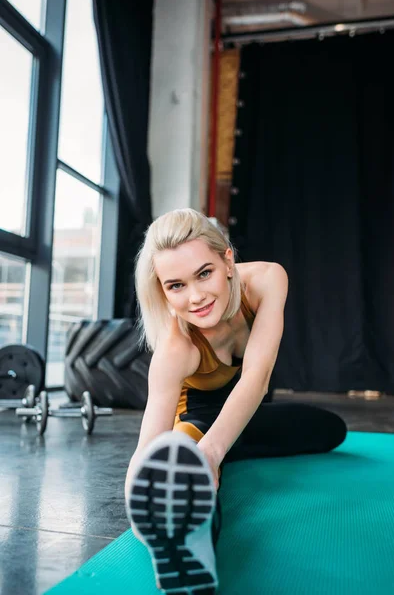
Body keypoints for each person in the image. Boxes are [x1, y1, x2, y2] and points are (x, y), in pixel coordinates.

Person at [124, 208, 347, 594]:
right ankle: (190, 548)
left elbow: (256, 380)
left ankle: (219, 455)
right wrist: (148, 513)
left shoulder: (266, 280)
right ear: (162, 290)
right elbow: (146, 453)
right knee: (190, 470)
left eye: (204, 273)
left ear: (227, 260)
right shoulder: (175, 350)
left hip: (247, 412)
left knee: (331, 429)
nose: (195, 297)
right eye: (175, 286)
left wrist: (215, 452)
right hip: (198, 422)